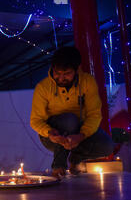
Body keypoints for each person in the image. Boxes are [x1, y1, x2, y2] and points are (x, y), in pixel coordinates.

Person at [30, 46, 114, 177]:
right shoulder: (43, 87)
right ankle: (58, 165)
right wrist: (50, 133)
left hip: (78, 133)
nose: (61, 78)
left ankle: (75, 158)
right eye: (57, 73)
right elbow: (35, 120)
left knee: (107, 145)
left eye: (67, 74)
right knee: (70, 120)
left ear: (76, 70)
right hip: (52, 136)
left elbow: (94, 115)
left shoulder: (87, 82)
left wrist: (81, 135)